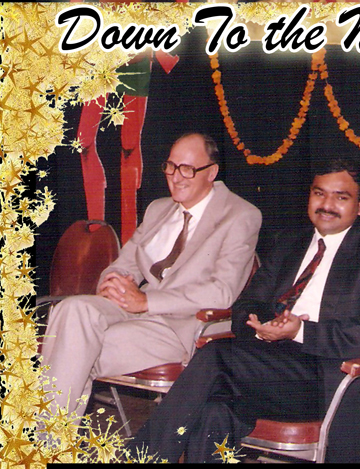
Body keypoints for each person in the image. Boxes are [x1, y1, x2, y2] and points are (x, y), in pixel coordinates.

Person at [128, 158, 360, 463]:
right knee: (214, 411)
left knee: (217, 355)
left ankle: (141, 461)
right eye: (319, 193)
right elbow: (245, 305)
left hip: (324, 377)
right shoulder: (289, 243)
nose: (327, 205)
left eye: (341, 197)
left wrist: (300, 331)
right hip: (265, 366)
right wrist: (264, 326)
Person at [41, 133, 262, 418]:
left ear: (212, 173)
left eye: (187, 169)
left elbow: (222, 292)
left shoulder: (240, 215)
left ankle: (43, 438)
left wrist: (146, 302)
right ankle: (48, 437)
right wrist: (113, 282)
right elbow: (124, 264)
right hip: (133, 310)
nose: (176, 177)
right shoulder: (158, 209)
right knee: (70, 310)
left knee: (70, 350)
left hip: (180, 326)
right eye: (171, 166)